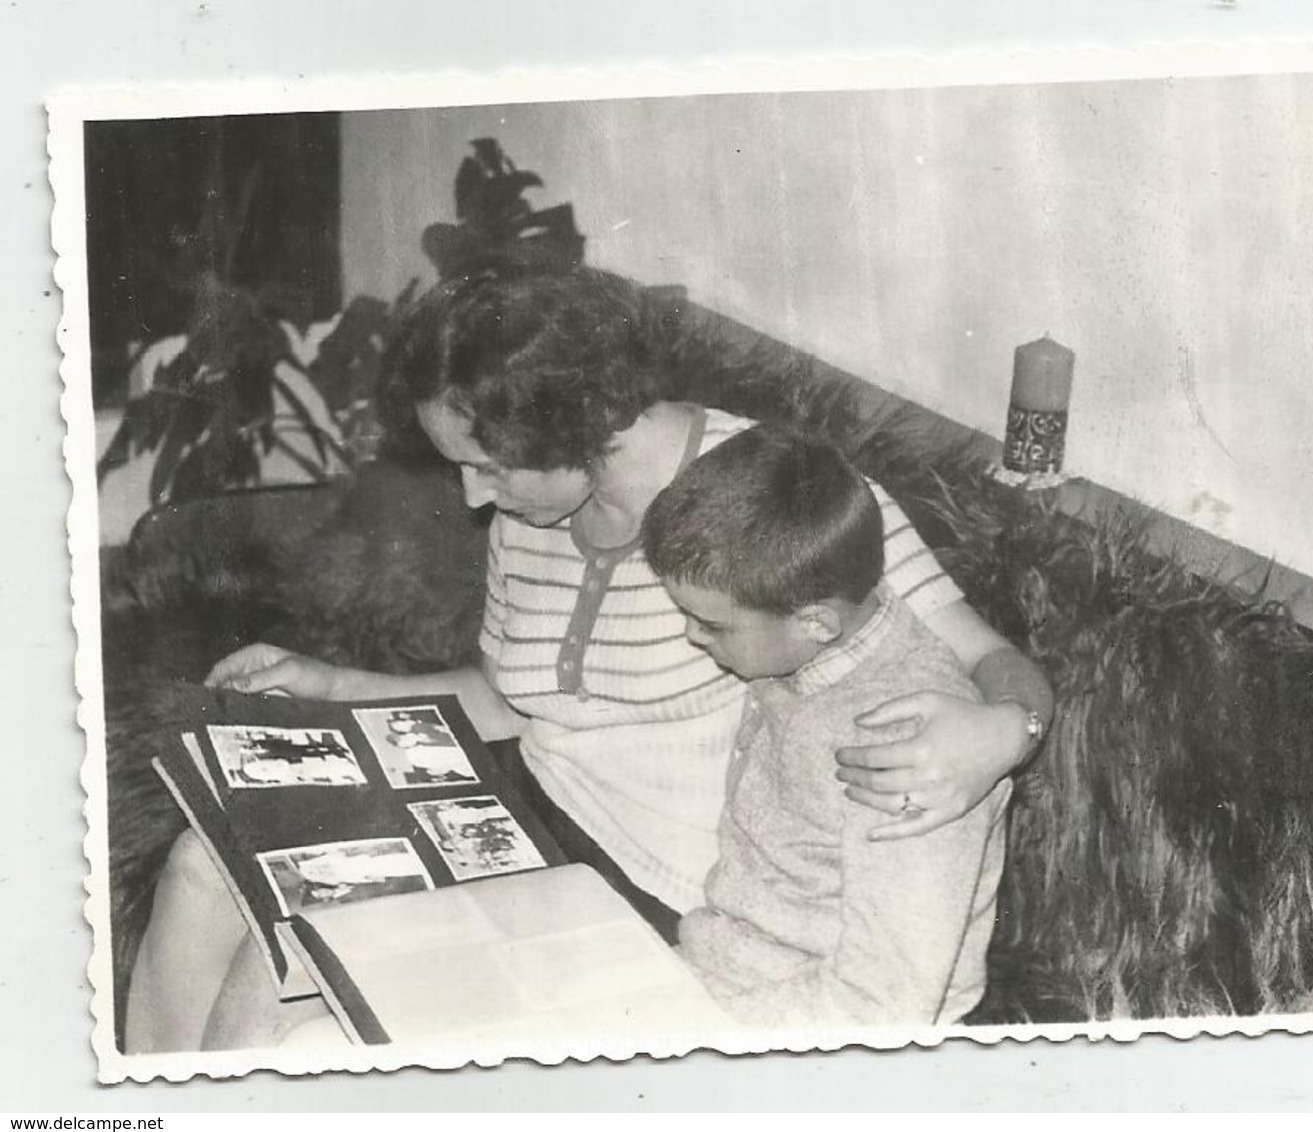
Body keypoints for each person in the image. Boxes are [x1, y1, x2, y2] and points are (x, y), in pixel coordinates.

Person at [126, 269, 1052, 1051]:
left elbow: (966, 657)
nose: (472, 497)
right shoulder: (534, 509)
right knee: (208, 867)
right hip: (521, 806)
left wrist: (1007, 731)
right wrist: (335, 686)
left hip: (654, 880)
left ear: (573, 432)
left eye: (488, 466)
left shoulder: (766, 506)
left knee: (287, 953)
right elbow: (512, 696)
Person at [644, 424, 1009, 1026]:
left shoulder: (905, 746)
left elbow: (882, 1005)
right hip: (724, 973)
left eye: (710, 624)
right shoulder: (805, 637)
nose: (691, 636)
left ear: (815, 622)